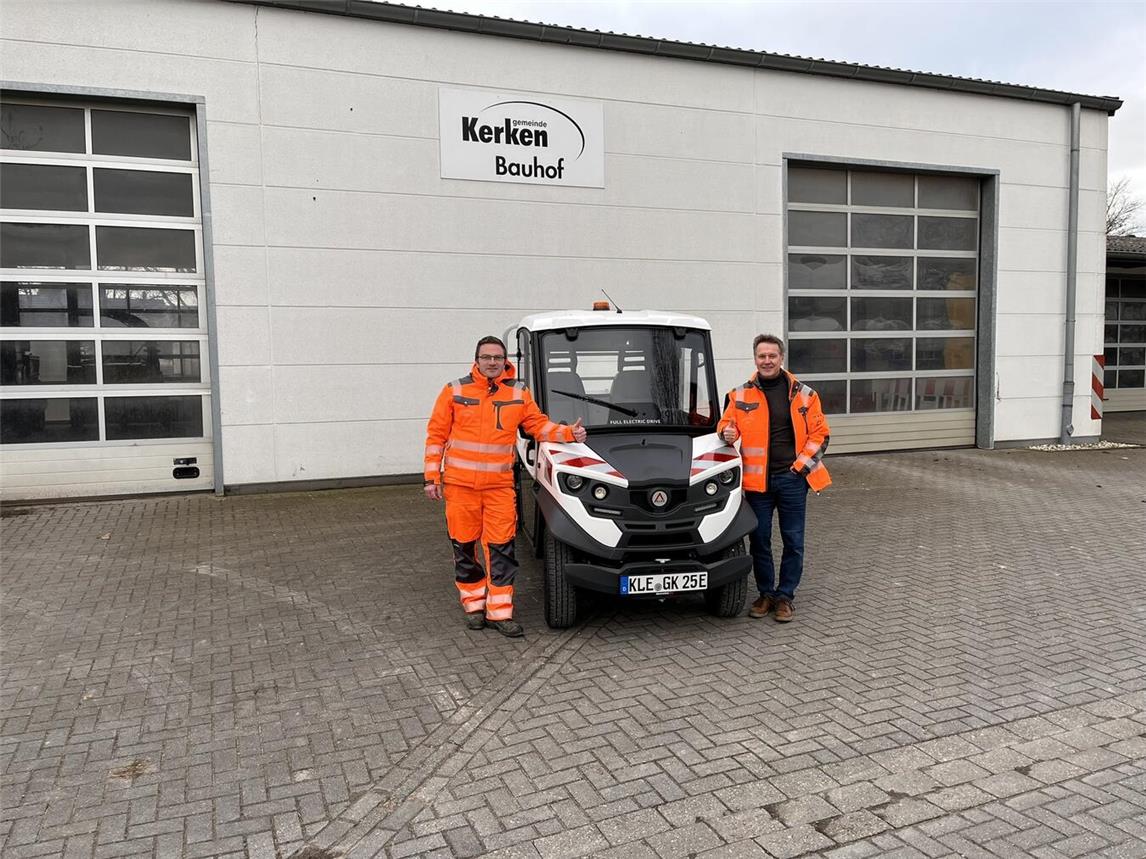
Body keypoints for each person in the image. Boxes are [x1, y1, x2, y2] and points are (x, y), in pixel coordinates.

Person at [424, 336, 587, 637]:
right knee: (465, 547)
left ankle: (501, 613)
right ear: (476, 360)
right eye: (486, 357)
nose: (492, 362)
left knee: (501, 548)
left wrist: (568, 433)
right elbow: (436, 436)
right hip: (460, 488)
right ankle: (474, 607)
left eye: (497, 358)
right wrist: (432, 477)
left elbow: (538, 425)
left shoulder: (518, 392)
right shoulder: (454, 391)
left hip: (499, 488)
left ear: (505, 361)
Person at [717, 334, 831, 622]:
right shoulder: (739, 394)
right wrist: (725, 433)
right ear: (755, 359)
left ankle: (785, 596)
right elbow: (725, 425)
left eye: (772, 356)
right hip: (758, 485)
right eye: (761, 356)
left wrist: (800, 468)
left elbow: (821, 435)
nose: (767, 361)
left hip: (792, 480)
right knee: (760, 540)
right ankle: (766, 594)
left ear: (781, 358)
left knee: (793, 541)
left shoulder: (805, 394)